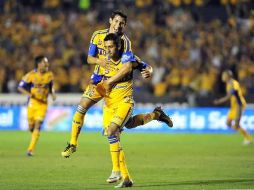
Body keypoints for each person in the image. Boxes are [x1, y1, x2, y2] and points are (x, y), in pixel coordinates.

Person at [61, 10, 173, 183]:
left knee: (119, 129)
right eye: (117, 21)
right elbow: (89, 58)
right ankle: (73, 144)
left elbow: (130, 65)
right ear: (110, 20)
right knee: (82, 106)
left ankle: (124, 176)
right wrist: (100, 62)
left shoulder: (125, 43)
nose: (119, 25)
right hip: (99, 81)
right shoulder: (97, 35)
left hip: (117, 89)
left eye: (122, 23)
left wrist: (147, 69)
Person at [18, 55, 56, 156]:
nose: (47, 64)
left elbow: (51, 85)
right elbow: (20, 87)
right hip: (32, 104)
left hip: (43, 104)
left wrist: (53, 94)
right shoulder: (31, 75)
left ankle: (30, 149)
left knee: (38, 124)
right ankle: (34, 135)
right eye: (45, 62)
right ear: (39, 64)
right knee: (31, 127)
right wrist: (29, 94)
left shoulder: (49, 74)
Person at [214, 70, 252, 145]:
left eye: (224, 75)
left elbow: (229, 96)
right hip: (233, 106)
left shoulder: (234, 83)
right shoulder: (228, 84)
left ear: (228, 76)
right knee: (228, 123)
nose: (222, 77)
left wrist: (219, 101)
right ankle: (242, 131)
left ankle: (247, 138)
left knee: (236, 124)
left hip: (239, 105)